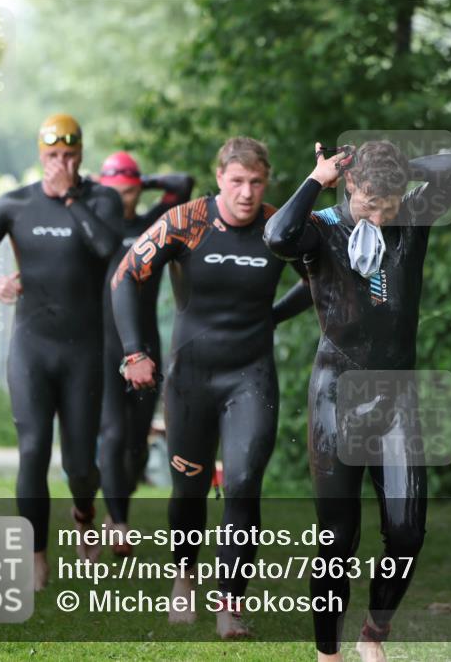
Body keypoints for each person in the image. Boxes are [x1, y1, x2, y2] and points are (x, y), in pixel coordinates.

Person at [264, 140, 451, 662]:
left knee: (407, 531)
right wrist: (319, 176)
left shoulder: (412, 219)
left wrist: (397, 167)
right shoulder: (321, 228)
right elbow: (276, 235)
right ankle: (328, 654)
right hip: (336, 395)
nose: (382, 216)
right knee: (337, 538)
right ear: (351, 186)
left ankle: (374, 633)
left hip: (398, 396)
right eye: (372, 204)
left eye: (391, 203)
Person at [114, 137, 312, 636]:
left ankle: (230, 603)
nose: (247, 193)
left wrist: (272, 318)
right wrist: (135, 352)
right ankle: (184, 577)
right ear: (220, 178)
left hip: (251, 375)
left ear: (266, 182)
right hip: (191, 379)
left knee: (244, 483)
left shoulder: (279, 226)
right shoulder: (187, 221)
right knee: (190, 487)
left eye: (256, 182)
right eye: (237, 181)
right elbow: (127, 276)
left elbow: (319, 281)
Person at [0, 114, 123, 590]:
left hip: (83, 351)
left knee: (78, 466)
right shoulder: (16, 204)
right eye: (53, 156)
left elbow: (107, 246)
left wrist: (71, 197)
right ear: (40, 155)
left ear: (81, 155)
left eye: (69, 156)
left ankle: (85, 513)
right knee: (32, 451)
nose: (61, 164)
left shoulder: (100, 199)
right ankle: (36, 557)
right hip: (31, 346)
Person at [95, 151, 194, 555]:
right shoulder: (96, 225)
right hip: (102, 346)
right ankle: (117, 522)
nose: (123, 198)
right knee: (113, 433)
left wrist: (142, 178)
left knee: (137, 440)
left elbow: (183, 182)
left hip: (146, 345)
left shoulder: (153, 226)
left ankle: (120, 509)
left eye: (129, 190)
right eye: (114, 191)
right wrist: (97, 185)